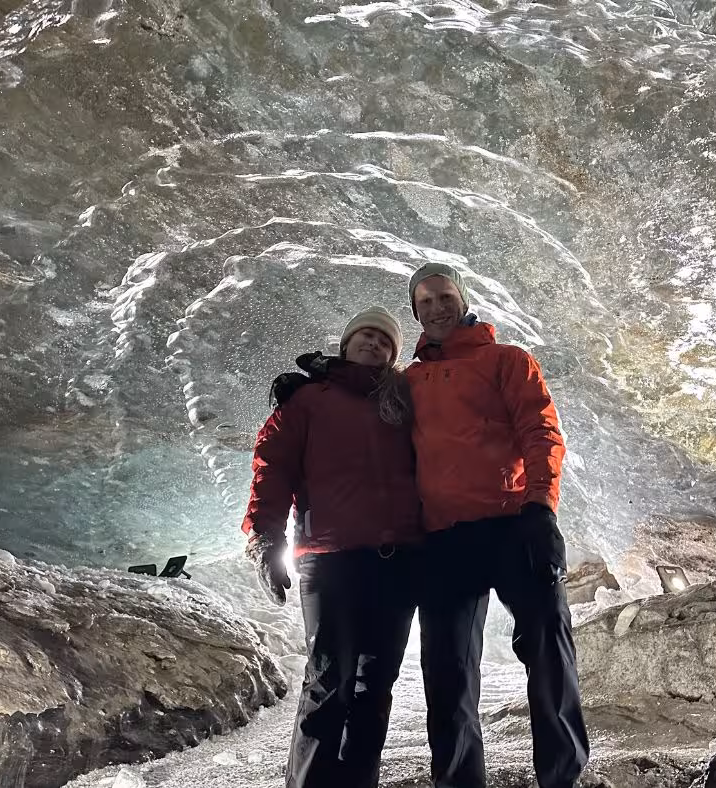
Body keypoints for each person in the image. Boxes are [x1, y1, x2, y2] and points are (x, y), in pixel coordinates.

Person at [406, 263, 590, 788]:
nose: (437, 307)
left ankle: (561, 776)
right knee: (447, 672)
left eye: (445, 297)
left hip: (514, 525)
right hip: (442, 538)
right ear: (416, 313)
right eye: (425, 302)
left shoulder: (508, 360)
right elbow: (365, 419)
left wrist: (540, 508)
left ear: (462, 301)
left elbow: (541, 433)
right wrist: (314, 385)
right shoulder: (409, 380)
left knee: (548, 649)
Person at [240, 306, 422, 788]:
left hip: (398, 562)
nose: (374, 343)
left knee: (375, 688)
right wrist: (265, 538)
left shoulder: (403, 401)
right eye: (365, 334)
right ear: (345, 343)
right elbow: (273, 468)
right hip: (330, 559)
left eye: (385, 341)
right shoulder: (308, 401)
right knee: (329, 683)